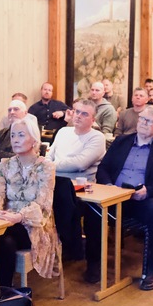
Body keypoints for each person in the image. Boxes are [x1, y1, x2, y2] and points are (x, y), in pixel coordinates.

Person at [85, 106, 153, 290]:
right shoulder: (121, 141)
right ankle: (94, 263)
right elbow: (103, 168)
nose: (143, 123)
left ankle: (152, 269)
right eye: (142, 119)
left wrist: (148, 191)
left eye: (149, 121)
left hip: (142, 198)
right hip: (114, 195)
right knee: (92, 210)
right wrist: (109, 186)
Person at [0, 119, 60, 295]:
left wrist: (19, 217)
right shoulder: (5, 164)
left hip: (35, 225)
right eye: (13, 135)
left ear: (34, 140)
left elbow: (43, 205)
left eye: (21, 135)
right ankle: (6, 292)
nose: (15, 139)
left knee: (0, 237)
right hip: (7, 223)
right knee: (5, 241)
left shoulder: (46, 167)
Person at [46, 98, 106, 260]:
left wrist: (50, 165)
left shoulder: (97, 137)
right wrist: (49, 164)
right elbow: (48, 155)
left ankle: (70, 244)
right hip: (53, 183)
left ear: (93, 120)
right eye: (76, 111)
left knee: (63, 189)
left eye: (84, 114)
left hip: (80, 188)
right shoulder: (63, 132)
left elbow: (80, 164)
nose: (78, 116)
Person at [0, 100, 30, 166]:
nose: (12, 112)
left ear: (25, 113)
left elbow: (23, 159)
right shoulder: (2, 133)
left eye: (16, 109)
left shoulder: (30, 133)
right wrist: (7, 156)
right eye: (9, 110)